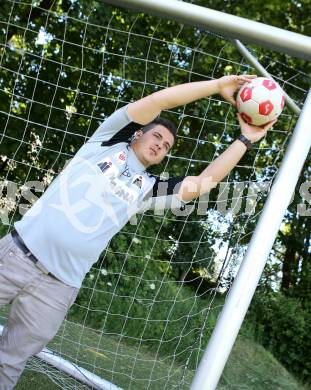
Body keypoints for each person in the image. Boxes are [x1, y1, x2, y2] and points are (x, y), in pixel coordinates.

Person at [0, 74, 275, 388]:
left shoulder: (148, 189)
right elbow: (158, 101)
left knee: (9, 363)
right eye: (157, 136)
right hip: (17, 256)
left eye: (167, 146)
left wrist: (245, 140)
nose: (161, 144)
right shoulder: (105, 142)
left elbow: (202, 183)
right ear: (138, 134)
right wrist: (215, 87)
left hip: (58, 288)